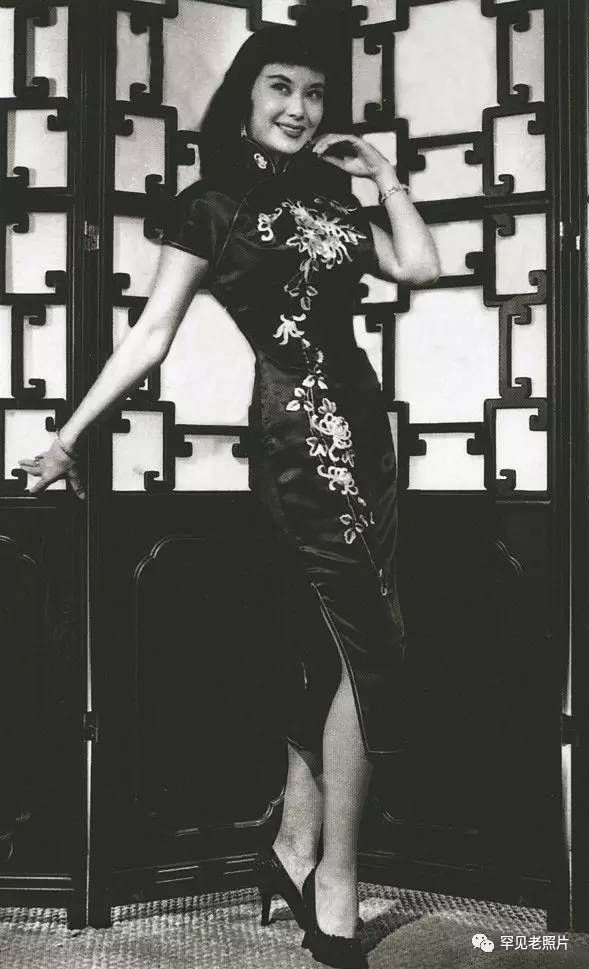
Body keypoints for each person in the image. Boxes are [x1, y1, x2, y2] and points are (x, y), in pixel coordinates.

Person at [19, 25, 439, 969]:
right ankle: (336, 877)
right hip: (299, 440)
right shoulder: (208, 205)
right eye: (279, 87)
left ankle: (292, 846)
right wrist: (67, 436)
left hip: (367, 434)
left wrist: (380, 173)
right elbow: (150, 335)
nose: (298, 109)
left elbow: (418, 266)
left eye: (314, 94)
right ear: (245, 96)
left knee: (334, 647)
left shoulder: (331, 196)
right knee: (371, 649)